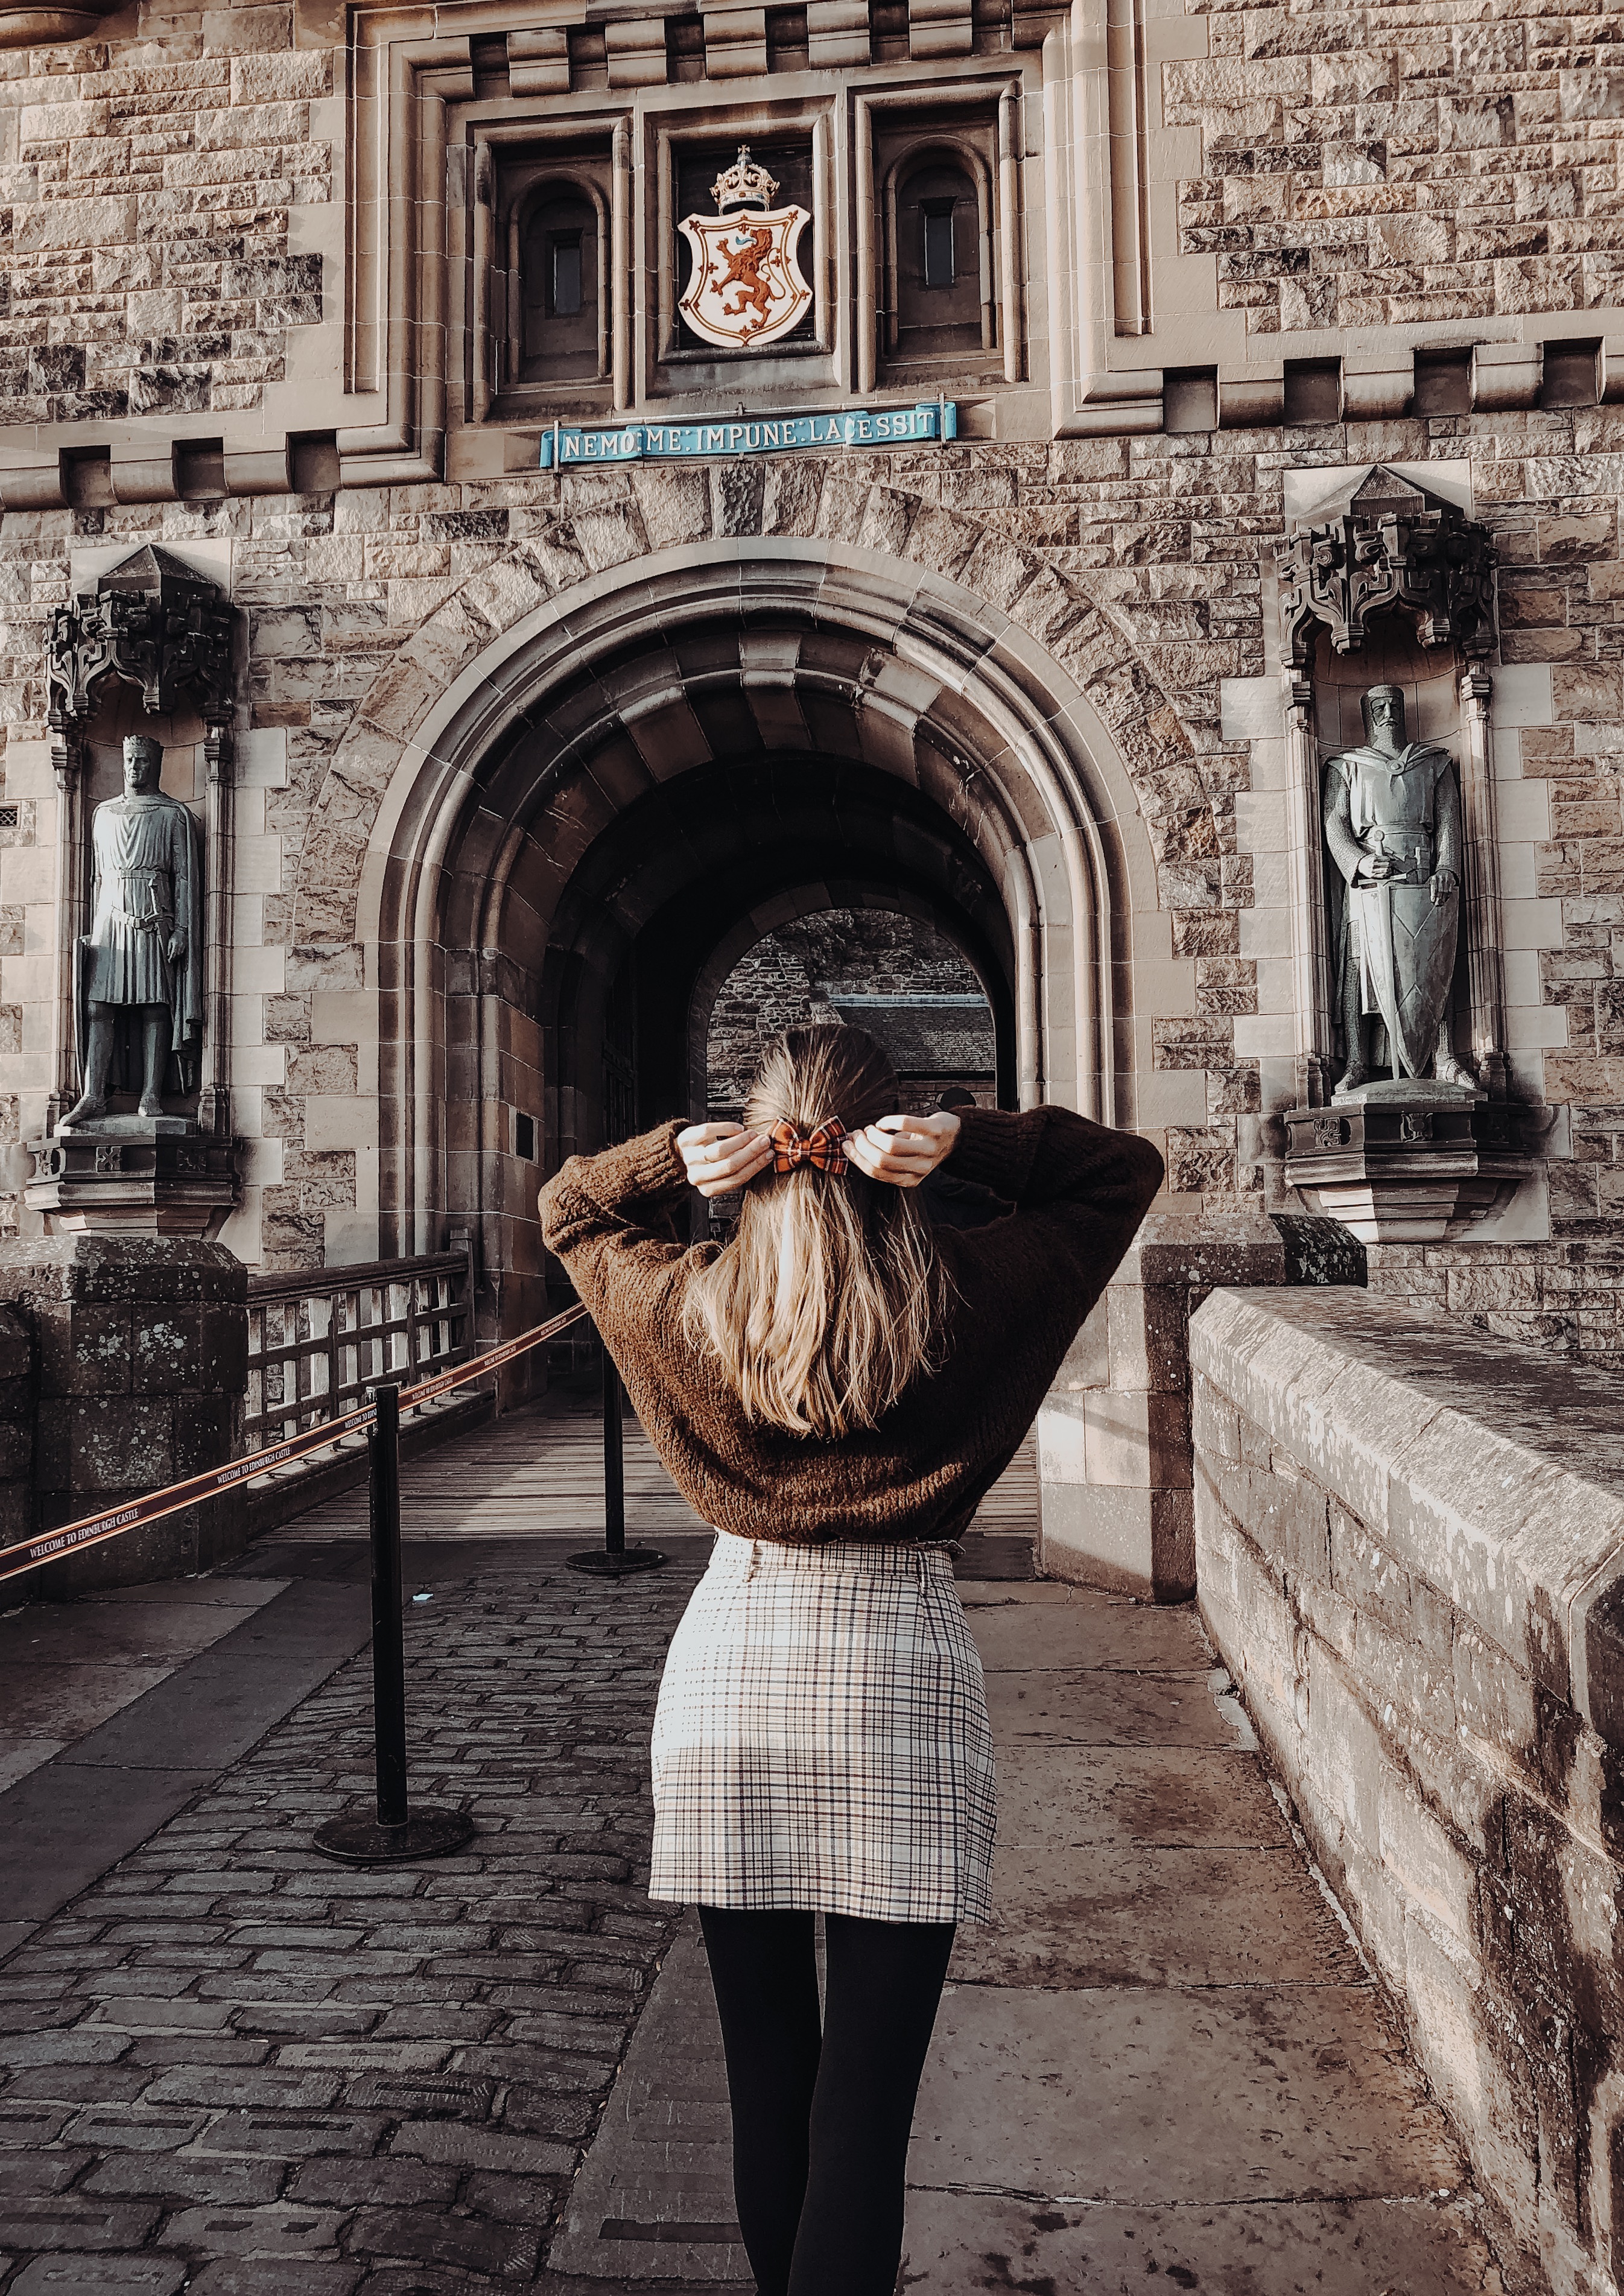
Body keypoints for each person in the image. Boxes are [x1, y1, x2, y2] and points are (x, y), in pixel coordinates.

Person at [538, 1025, 1163, 2296]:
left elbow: (566, 1207)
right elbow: (1118, 1171)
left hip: (729, 1672)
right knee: (862, 2119)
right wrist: (971, 1139)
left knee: (768, 2082)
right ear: (898, 1154)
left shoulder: (675, 1303)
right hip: (899, 1672)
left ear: (750, 1155)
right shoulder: (975, 1291)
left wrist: (668, 1159)